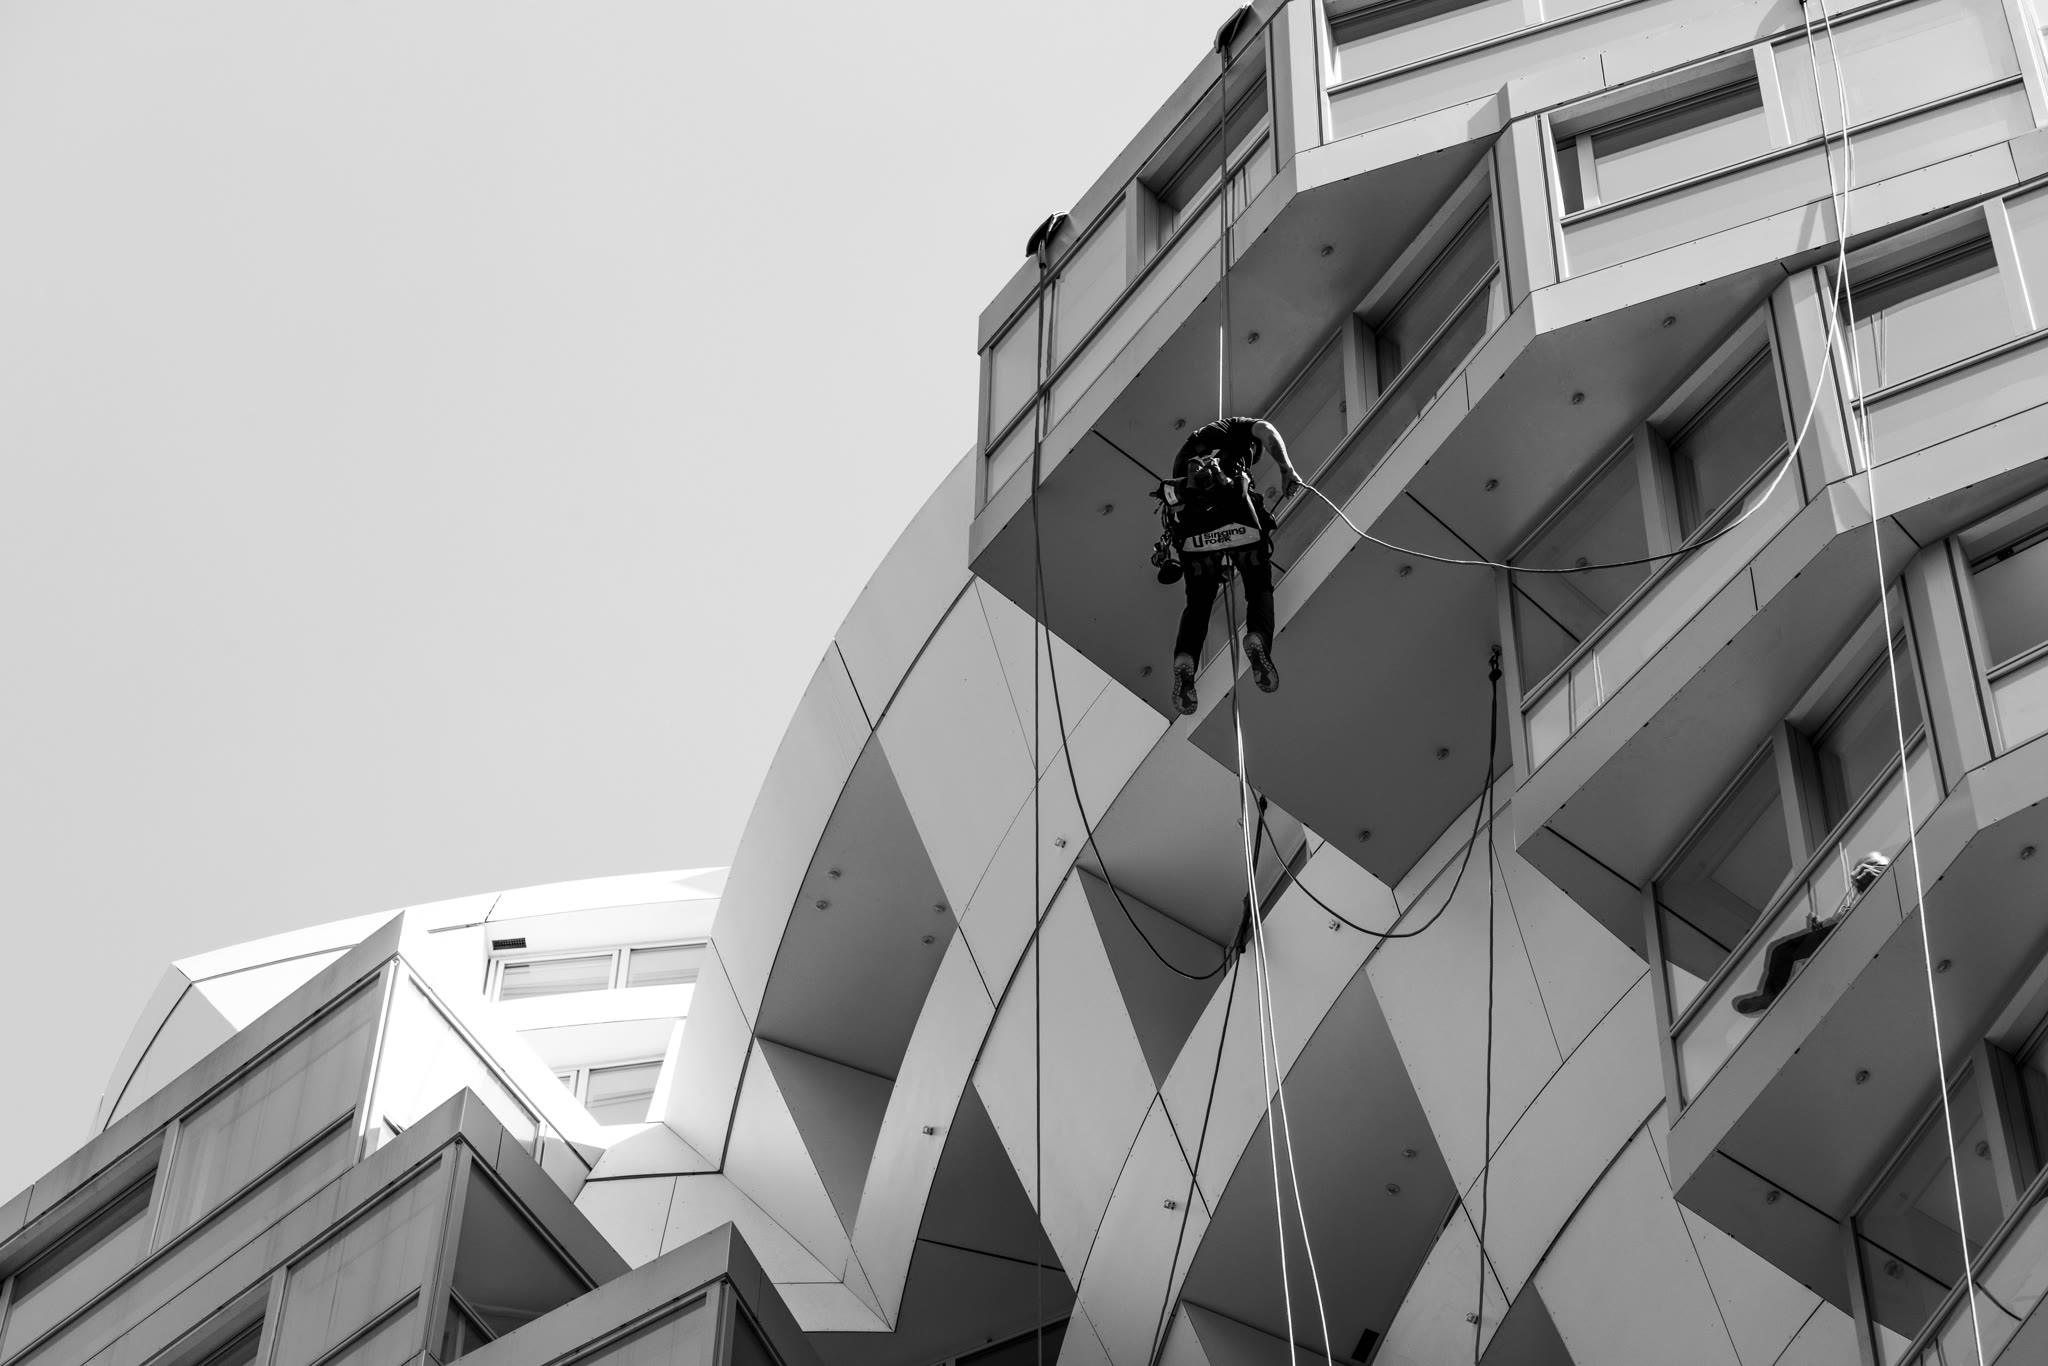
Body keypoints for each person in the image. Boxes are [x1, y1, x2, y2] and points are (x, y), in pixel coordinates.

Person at [1156, 416, 1302, 715]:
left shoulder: (1185, 460)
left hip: (1194, 537)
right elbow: (1265, 429)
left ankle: (1186, 657)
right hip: (1240, 525)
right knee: (1258, 587)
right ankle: (1258, 636)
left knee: (1198, 603)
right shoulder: (1236, 428)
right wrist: (1286, 469)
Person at [1732, 851, 1889, 1017]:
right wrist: (1818, 927)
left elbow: (1879, 877)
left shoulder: (1881, 880)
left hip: (1855, 930)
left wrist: (1866, 873)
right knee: (1782, 950)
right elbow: (1838, 920)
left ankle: (1775, 995)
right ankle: (1770, 994)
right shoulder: (1853, 901)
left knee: (1790, 949)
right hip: (1841, 932)